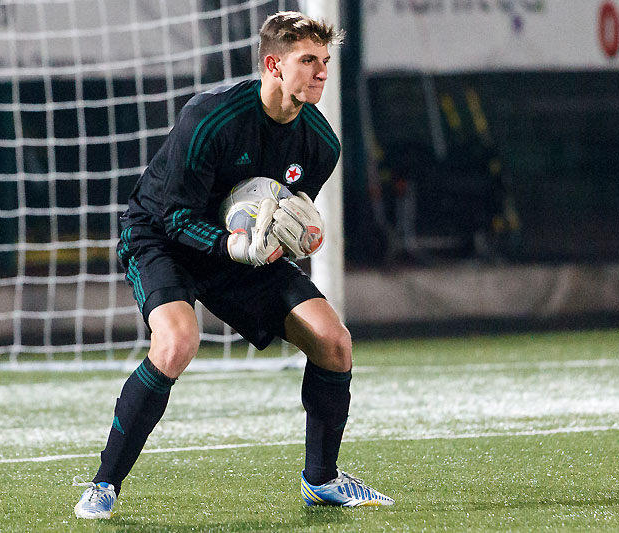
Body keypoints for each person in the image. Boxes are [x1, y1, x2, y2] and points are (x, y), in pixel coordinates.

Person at [73, 11, 394, 519]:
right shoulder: (209, 117)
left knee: (333, 341)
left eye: (325, 61)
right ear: (274, 64)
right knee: (177, 341)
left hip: (236, 251)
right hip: (162, 237)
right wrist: (233, 247)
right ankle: (103, 485)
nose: (321, 73)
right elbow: (173, 214)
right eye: (308, 61)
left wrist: (298, 235)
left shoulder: (321, 144)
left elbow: (283, 215)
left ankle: (322, 480)